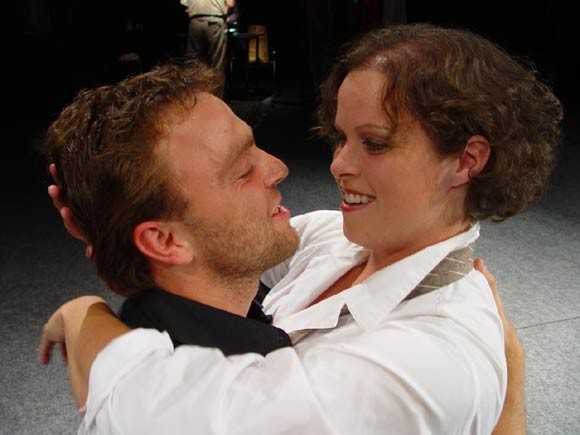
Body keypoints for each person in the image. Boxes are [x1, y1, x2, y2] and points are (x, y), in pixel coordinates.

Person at [40, 23, 562, 434]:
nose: (337, 165)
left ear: (466, 161)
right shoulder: (339, 240)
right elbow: (220, 250)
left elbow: (140, 409)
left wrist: (84, 315)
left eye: (374, 143)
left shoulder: (423, 363)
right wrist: (113, 223)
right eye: (341, 138)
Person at [41, 59, 296, 356]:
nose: (279, 168)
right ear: (165, 241)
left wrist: (106, 240)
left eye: (254, 145)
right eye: (243, 170)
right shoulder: (251, 378)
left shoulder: (162, 323)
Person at [181, 0, 235, 72]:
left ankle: (192, 78)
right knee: (216, 60)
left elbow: (186, 6)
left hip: (195, 22)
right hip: (215, 21)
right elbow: (230, 4)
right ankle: (215, 78)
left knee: (193, 60)